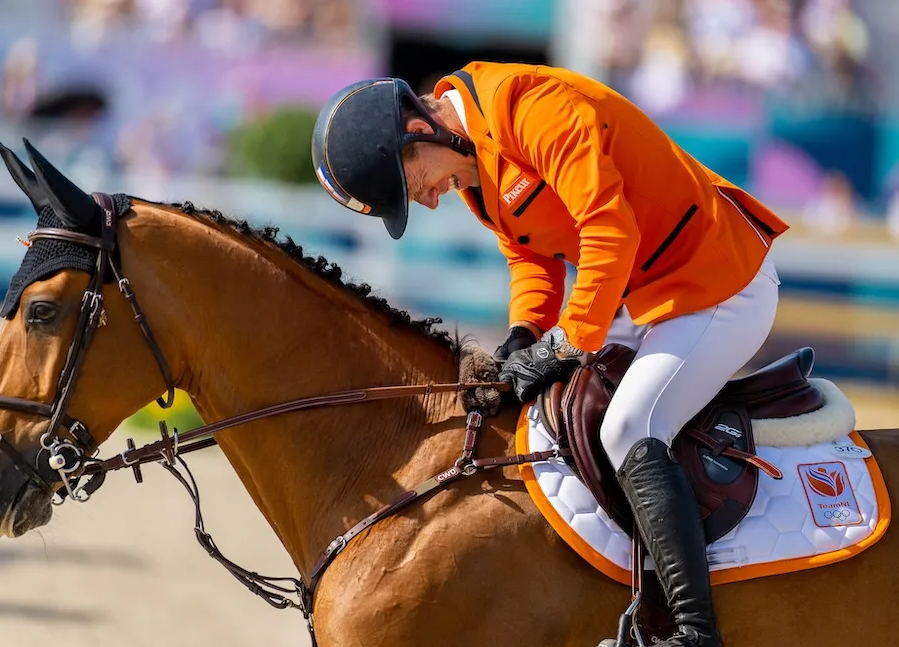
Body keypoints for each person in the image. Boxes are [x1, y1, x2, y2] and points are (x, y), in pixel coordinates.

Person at [311, 62, 787, 647]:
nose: (429, 204)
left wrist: (568, 340)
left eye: (414, 188)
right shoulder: (470, 165)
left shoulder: (528, 108)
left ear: (416, 130)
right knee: (554, 420)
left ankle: (693, 631)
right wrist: (524, 333)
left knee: (632, 428)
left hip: (716, 279)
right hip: (641, 297)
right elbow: (530, 259)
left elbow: (609, 229)